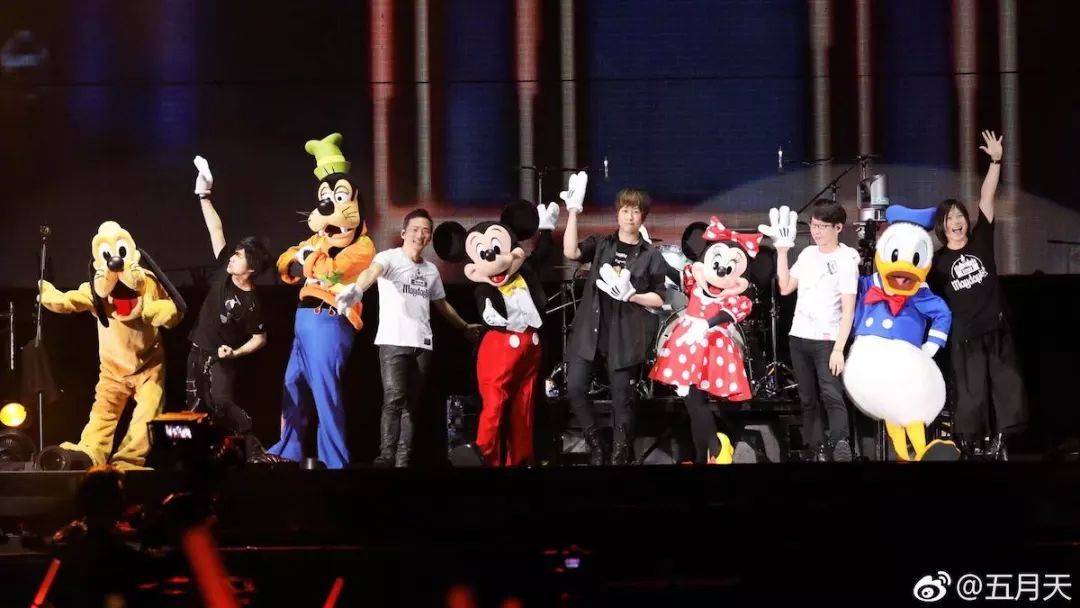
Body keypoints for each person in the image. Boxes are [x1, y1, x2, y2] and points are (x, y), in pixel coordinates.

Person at [336, 209, 481, 467]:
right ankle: (386, 457)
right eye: (415, 229)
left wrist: (464, 326)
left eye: (425, 231)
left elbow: (442, 304)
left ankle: (402, 461)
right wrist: (357, 290)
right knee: (393, 398)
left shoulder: (431, 270)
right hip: (393, 341)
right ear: (404, 233)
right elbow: (371, 273)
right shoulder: (389, 257)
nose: (420, 235)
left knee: (411, 405)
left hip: (422, 344)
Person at [929, 130, 1027, 460]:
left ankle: (1001, 439)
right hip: (965, 334)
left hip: (995, 327)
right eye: (949, 218)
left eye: (960, 215)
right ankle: (970, 444)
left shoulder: (981, 240)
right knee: (970, 395)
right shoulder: (937, 262)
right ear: (942, 226)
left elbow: (986, 197)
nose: (956, 221)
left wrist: (996, 161)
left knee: (1006, 386)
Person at [562, 176, 669, 465]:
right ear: (617, 213)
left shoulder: (650, 255)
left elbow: (660, 298)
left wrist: (633, 295)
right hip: (589, 332)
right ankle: (596, 442)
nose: (629, 216)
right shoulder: (601, 244)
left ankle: (620, 454)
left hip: (625, 336)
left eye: (635, 211)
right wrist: (573, 212)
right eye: (625, 210)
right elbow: (570, 252)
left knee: (623, 400)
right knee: (575, 388)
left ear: (643, 216)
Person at [186, 156, 277, 462]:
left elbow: (260, 339)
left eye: (240, 256)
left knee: (222, 403)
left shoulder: (252, 303)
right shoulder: (222, 271)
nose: (233, 257)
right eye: (235, 253)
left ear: (251, 269)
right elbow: (216, 229)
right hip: (197, 351)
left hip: (222, 358)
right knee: (196, 408)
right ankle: (203, 457)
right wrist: (204, 195)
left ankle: (253, 451)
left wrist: (234, 354)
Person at [762, 200, 859, 461]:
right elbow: (785, 287)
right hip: (799, 336)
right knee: (807, 398)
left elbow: (849, 309)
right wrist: (782, 252)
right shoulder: (807, 254)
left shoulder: (846, 259)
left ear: (838, 227)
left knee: (831, 394)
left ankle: (840, 443)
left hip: (827, 339)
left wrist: (839, 348)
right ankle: (818, 448)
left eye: (822, 226)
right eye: (814, 225)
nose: (816, 231)